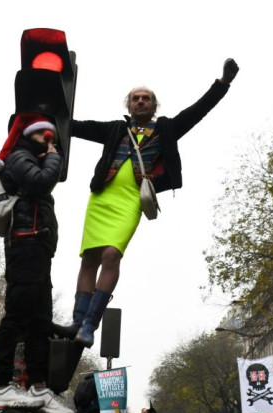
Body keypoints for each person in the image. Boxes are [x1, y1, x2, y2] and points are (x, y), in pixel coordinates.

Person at [54, 58, 239, 348]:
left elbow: (198, 111)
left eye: (146, 99)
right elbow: (74, 127)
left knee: (111, 255)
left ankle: (90, 325)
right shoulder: (115, 129)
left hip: (130, 200)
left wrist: (223, 83)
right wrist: (42, 113)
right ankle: (77, 322)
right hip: (102, 198)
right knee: (89, 258)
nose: (141, 102)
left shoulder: (166, 129)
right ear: (129, 106)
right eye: (136, 99)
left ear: (154, 106)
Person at [0, 113, 74, 413]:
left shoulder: (33, 157)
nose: (49, 138)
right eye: (43, 134)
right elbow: (40, 183)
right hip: (24, 245)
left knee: (40, 320)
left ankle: (39, 386)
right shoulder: (18, 156)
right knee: (17, 316)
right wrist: (54, 159)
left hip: (38, 247)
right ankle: (0, 384)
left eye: (52, 135)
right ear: (28, 134)